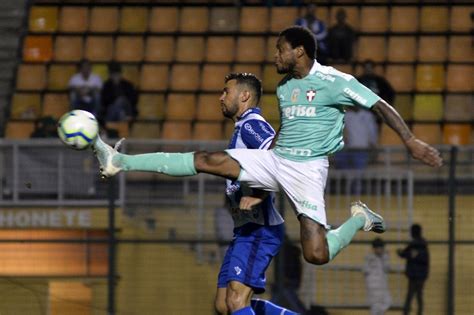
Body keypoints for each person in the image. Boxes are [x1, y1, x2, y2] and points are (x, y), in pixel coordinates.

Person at [92, 26, 442, 275]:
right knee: (207, 160)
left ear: (299, 52)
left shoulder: (336, 82)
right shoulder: (285, 85)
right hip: (276, 159)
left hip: (308, 170)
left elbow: (379, 105)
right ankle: (118, 160)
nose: (275, 55)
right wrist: (258, 184)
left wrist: (410, 140)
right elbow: (283, 135)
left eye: (280, 49)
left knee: (316, 255)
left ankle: (359, 219)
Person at [334, 106, 378, 195]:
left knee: (358, 174)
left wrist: (373, 144)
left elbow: (372, 131)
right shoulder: (345, 115)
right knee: (342, 165)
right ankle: (347, 189)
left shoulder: (367, 115)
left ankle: (356, 194)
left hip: (362, 148)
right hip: (347, 148)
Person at [397, 224, 429, 315]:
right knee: (417, 297)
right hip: (419, 275)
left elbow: (408, 254)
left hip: (416, 275)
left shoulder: (418, 244)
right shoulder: (420, 243)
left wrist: (402, 253)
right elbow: (407, 253)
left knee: (411, 297)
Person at [364, 238, 391, 315]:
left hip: (383, 285)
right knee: (375, 307)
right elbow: (365, 271)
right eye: (379, 248)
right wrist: (370, 283)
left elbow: (387, 269)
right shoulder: (370, 258)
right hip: (373, 286)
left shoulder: (384, 258)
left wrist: (386, 258)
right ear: (374, 249)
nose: (381, 250)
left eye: (382, 248)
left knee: (387, 302)